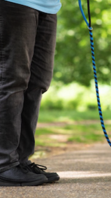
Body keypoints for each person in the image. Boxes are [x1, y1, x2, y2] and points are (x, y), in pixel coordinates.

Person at [0, 0, 61, 186]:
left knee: (38, 82)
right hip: (15, 3)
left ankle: (20, 160)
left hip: (48, 6)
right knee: (13, 79)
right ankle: (4, 163)